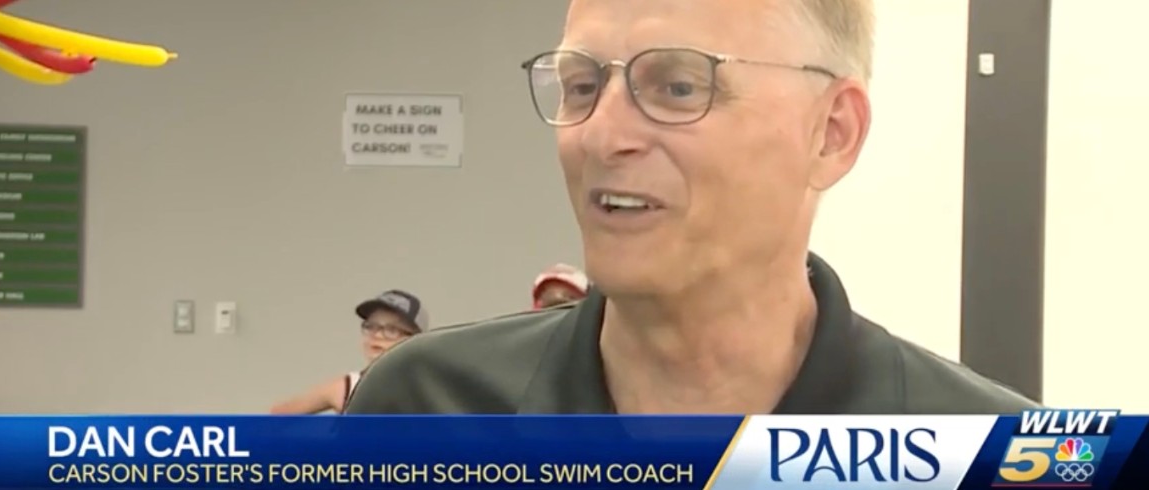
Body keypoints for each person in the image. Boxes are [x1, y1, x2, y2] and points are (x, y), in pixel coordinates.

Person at [347, 0, 1038, 414]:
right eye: (581, 85)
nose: (602, 135)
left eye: (678, 86)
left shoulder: (988, 454)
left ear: (832, 133)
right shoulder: (423, 410)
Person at [270, 290, 427, 414]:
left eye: (392, 330)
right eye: (371, 326)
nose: (377, 335)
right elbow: (276, 417)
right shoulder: (346, 387)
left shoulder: (431, 389)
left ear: (415, 340)